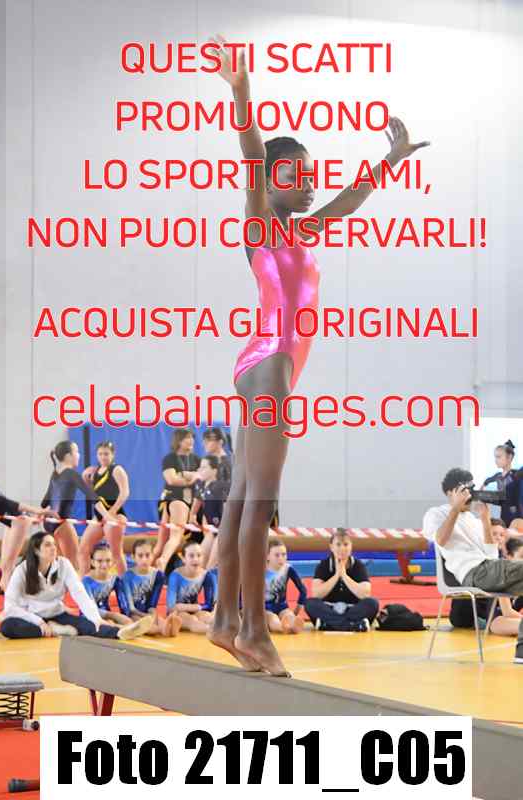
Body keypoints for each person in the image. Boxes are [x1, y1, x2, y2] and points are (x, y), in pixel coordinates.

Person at [207, 35, 428, 675]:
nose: (307, 186)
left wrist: (390, 160)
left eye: (310, 177)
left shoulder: (300, 230)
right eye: (294, 177)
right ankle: (255, 629)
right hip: (271, 362)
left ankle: (224, 621)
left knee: (242, 497)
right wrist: (243, 91)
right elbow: (252, 153)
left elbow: (349, 201)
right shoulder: (261, 224)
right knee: (260, 500)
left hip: (264, 364)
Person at [422, 467, 523, 663]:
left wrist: (484, 519)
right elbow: (441, 540)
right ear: (450, 493)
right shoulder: (436, 514)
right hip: (472, 572)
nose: (469, 495)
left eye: (471, 489)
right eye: (463, 490)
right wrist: (455, 508)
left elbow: (491, 555)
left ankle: (521, 652)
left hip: (489, 568)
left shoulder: (473, 520)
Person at [0, 531, 153, 640]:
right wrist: (39, 622)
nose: (53, 548)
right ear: (36, 550)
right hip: (32, 617)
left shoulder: (64, 565)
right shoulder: (22, 570)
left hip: (57, 615)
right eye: (47, 545)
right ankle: (53, 630)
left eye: (54, 544)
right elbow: (10, 606)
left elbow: (80, 593)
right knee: (7, 626)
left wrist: (96, 618)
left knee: (88, 625)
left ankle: (120, 633)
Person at [40, 441, 115, 569]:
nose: (79, 455)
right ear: (68, 456)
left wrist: (38, 514)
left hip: (48, 523)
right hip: (61, 524)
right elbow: (92, 496)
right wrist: (107, 516)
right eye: (77, 452)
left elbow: (44, 502)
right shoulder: (71, 474)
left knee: (59, 566)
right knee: (74, 566)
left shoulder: (55, 474)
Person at [304, 529, 379, 632]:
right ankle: (352, 625)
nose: (342, 548)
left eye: (346, 544)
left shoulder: (358, 565)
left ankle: (329, 625)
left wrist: (344, 575)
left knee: (372, 603)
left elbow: (365, 594)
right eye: (338, 545)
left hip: (352, 609)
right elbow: (317, 594)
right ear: (331, 547)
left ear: (351, 546)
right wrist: (336, 575)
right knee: (310, 603)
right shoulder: (323, 565)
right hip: (329, 609)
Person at [78, 441, 130, 577]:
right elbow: (92, 495)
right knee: (83, 549)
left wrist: (111, 512)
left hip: (115, 515)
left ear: (113, 455)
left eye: (106, 454)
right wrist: (86, 480)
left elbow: (124, 493)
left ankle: (125, 585)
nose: (103, 457)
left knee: (116, 553)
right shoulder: (94, 472)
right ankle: (84, 583)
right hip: (100, 516)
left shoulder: (117, 469)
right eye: (100, 454)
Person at [153, 429, 201, 573]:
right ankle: (163, 560)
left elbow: (202, 477)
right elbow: (171, 480)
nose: (191, 441)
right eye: (187, 438)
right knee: (176, 535)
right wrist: (192, 478)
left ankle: (152, 573)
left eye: (192, 438)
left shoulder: (196, 459)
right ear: (179, 441)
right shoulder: (170, 459)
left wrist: (184, 474)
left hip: (189, 501)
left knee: (161, 544)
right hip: (173, 500)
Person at [0, 483, 51, 592]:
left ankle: (11, 598)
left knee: (8, 567)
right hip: (11, 522)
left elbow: (9, 504)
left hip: (19, 521)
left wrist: (36, 511)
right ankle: (10, 593)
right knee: (4, 565)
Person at [120, 538, 181, 637]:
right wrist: (147, 617)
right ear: (133, 557)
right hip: (133, 614)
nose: (144, 559)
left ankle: (167, 627)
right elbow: (130, 608)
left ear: (153, 556)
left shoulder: (158, 575)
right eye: (140, 556)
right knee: (143, 624)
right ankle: (161, 629)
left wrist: (153, 615)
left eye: (147, 555)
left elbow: (152, 604)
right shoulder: (127, 576)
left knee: (159, 620)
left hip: (148, 612)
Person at [166, 541, 216, 633]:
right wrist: (198, 607)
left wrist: (205, 610)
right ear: (183, 558)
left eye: (199, 555)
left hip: (194, 609)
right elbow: (171, 606)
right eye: (191, 556)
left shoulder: (206, 575)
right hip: (177, 613)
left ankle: (226, 630)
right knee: (192, 620)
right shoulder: (175, 576)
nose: (196, 559)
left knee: (207, 617)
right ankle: (214, 631)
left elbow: (210, 604)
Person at [190, 455, 229, 569]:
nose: (200, 470)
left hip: (224, 530)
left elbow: (228, 510)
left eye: (204, 468)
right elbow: (198, 500)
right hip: (213, 530)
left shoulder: (219, 487)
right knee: (200, 564)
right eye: (199, 467)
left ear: (214, 470)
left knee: (210, 566)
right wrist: (192, 515)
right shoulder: (201, 485)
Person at [82, 542, 132, 626]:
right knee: (110, 624)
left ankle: (122, 627)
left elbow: (123, 604)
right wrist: (114, 615)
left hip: (108, 615)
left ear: (113, 561)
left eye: (108, 560)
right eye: (99, 561)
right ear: (92, 562)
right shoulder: (86, 581)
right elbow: (90, 609)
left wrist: (127, 617)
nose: (104, 565)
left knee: (128, 621)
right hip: (88, 617)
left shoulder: (115, 579)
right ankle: (119, 627)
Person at [264, 539, 306, 634]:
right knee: (272, 618)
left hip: (282, 606)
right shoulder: (261, 570)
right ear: (267, 556)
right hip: (265, 607)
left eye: (284, 554)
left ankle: (293, 625)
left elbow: (303, 589)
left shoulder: (288, 569)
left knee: (289, 615)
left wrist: (296, 610)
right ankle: (281, 627)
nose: (281, 558)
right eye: (277, 555)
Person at [481, 440, 521, 526]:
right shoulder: (498, 475)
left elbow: (507, 496)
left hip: (515, 514)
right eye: (495, 457)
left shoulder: (515, 475)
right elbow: (487, 480)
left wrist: (483, 495)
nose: (496, 460)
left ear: (509, 457)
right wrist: (482, 488)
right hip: (504, 513)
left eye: (498, 457)